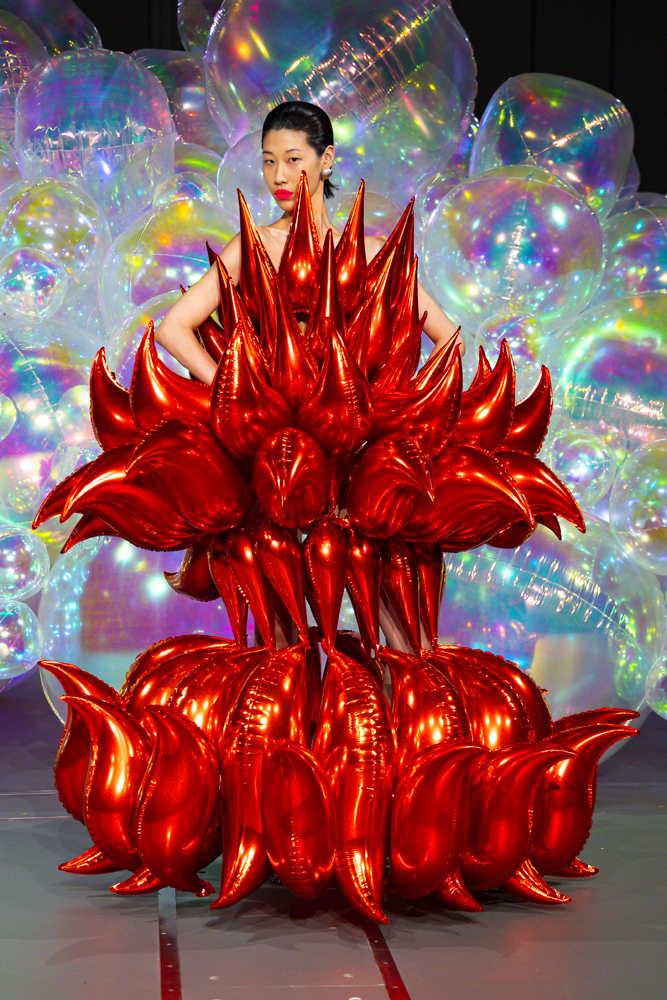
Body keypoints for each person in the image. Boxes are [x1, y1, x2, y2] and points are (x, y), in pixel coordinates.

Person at [155, 100, 465, 382]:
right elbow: (171, 329)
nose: (279, 176)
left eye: (292, 159)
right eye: (269, 161)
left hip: (352, 422)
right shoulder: (254, 245)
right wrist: (233, 392)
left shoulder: (371, 253)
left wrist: (401, 398)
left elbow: (452, 341)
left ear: (326, 158)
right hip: (268, 422)